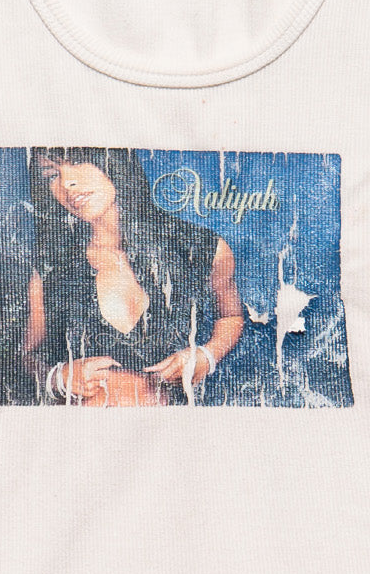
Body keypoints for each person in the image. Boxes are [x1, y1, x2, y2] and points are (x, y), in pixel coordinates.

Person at [16, 147, 244, 407]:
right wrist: (56, 378)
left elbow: (231, 316)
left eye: (77, 162)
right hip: (82, 428)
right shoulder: (50, 267)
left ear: (114, 161)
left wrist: (207, 355)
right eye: (52, 175)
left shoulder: (199, 248)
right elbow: (25, 355)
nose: (67, 183)